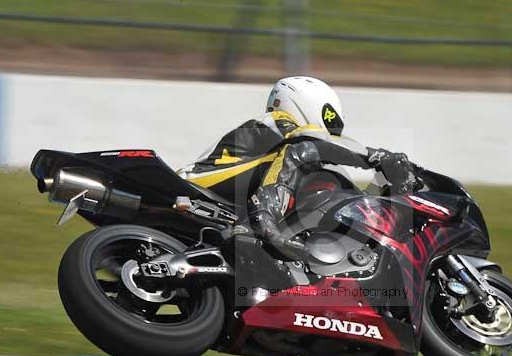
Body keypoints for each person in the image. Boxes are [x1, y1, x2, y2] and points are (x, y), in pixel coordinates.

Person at [178, 76, 420, 259]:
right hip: (198, 185)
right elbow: (312, 142)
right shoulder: (278, 120)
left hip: (218, 197)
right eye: (330, 121)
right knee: (303, 152)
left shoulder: (274, 137)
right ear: (310, 103)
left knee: (327, 176)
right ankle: (265, 223)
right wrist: (375, 157)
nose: (332, 133)